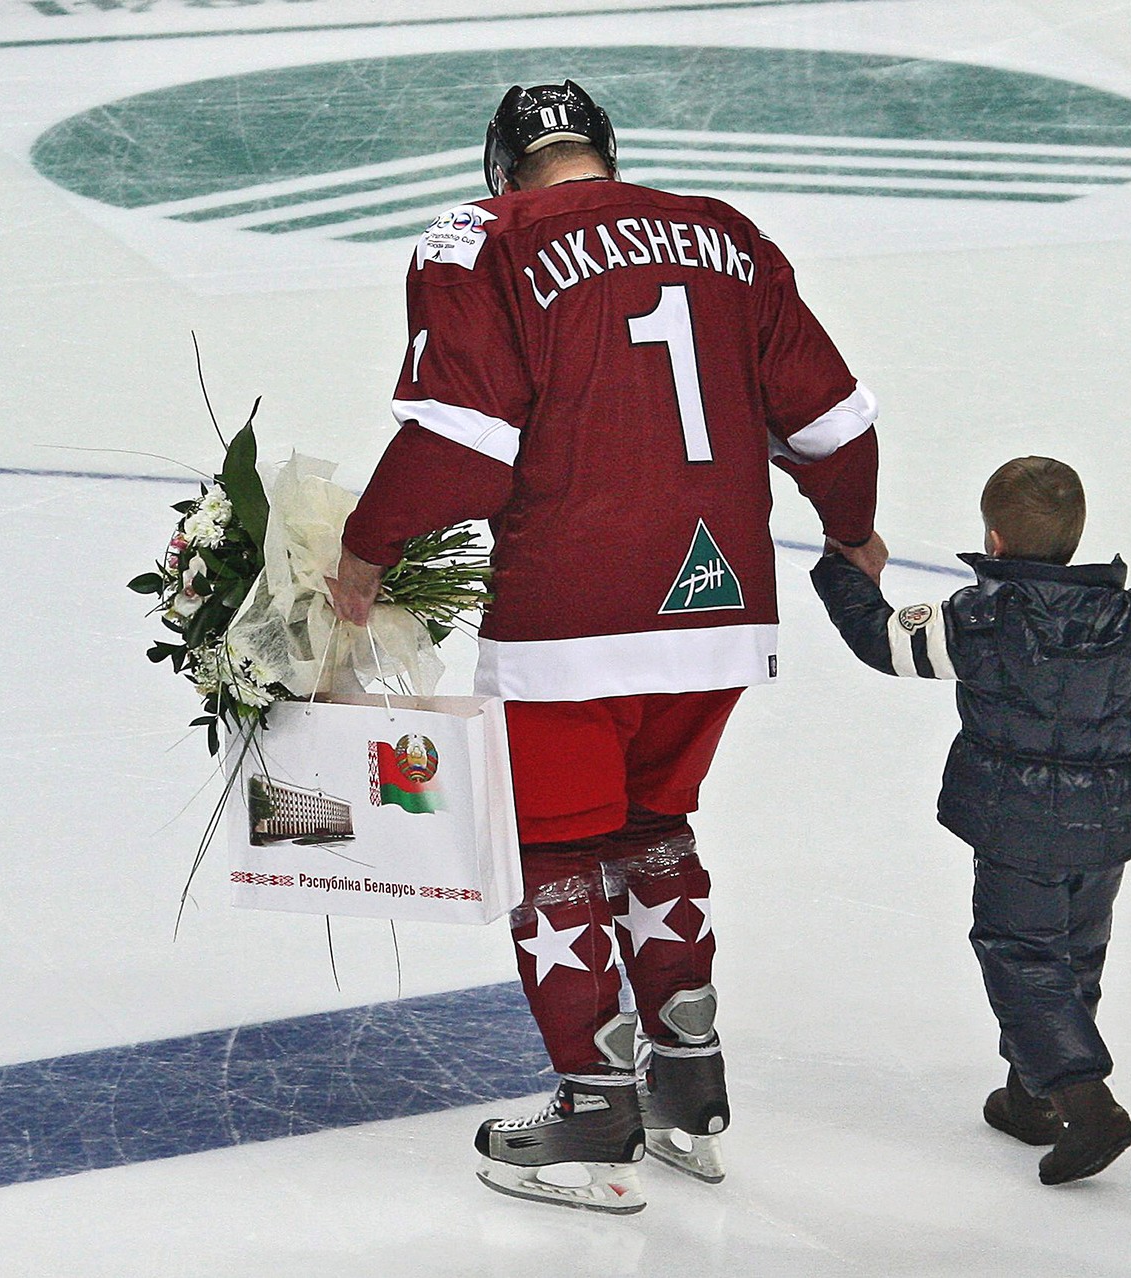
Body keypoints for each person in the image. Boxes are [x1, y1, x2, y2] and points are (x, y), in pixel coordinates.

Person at [329, 79, 881, 1213]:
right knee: (654, 824)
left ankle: (594, 1111)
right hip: (720, 609)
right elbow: (832, 423)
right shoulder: (725, 234)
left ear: (503, 166)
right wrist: (852, 529)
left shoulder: (477, 239)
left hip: (572, 615)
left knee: (558, 849)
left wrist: (367, 548)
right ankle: (688, 1086)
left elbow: (466, 442)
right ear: (607, 153)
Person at [810, 456, 1131, 1185]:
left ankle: (1085, 1103)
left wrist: (845, 571)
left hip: (1015, 823)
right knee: (1074, 952)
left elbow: (885, 643)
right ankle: (1032, 1098)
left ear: (995, 540)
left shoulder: (981, 618)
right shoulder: (1130, 619)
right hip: (1105, 827)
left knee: (1020, 954)